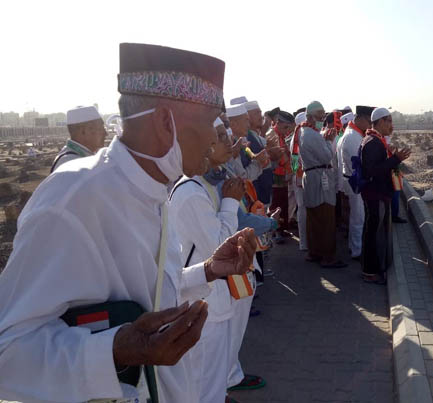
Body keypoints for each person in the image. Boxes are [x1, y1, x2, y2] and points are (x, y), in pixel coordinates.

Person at [0, 43, 257, 402]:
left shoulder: (154, 190)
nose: (218, 137)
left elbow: (147, 299)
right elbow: (8, 353)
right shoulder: (72, 198)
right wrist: (115, 351)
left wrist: (209, 270)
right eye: (210, 122)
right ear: (165, 123)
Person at [169, 117, 263, 403]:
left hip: (218, 294)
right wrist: (231, 202)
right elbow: (216, 246)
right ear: (204, 146)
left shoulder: (211, 183)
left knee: (216, 373)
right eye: (220, 137)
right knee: (204, 379)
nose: (228, 143)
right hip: (205, 299)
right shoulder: (190, 192)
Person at [359, 107, 411, 284]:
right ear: (380, 122)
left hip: (379, 193)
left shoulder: (377, 140)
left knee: (376, 230)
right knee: (372, 232)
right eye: (388, 121)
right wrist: (396, 159)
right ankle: (369, 271)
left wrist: (394, 158)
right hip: (375, 194)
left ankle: (376, 267)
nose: (391, 124)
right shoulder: (372, 142)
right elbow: (372, 170)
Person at [300, 101, 346, 268]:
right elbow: (326, 157)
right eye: (320, 115)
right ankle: (328, 257)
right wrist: (328, 141)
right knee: (325, 218)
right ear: (311, 117)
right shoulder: (312, 134)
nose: (322, 118)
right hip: (319, 179)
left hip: (313, 178)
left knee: (315, 218)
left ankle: (315, 252)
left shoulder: (307, 132)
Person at [338, 106, 372, 260]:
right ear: (362, 119)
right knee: (358, 217)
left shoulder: (354, 133)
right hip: (354, 180)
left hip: (353, 179)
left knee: (356, 216)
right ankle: (357, 250)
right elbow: (357, 163)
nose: (370, 126)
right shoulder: (352, 136)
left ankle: (355, 247)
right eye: (369, 122)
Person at [51, 105, 107, 172]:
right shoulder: (71, 163)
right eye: (100, 129)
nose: (106, 133)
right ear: (83, 131)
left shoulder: (76, 157)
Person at [269, 110, 295, 240]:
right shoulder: (271, 135)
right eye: (285, 127)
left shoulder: (280, 135)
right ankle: (275, 231)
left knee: (284, 203)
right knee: (276, 204)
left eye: (288, 128)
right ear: (278, 123)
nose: (286, 131)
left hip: (282, 174)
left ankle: (282, 228)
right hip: (275, 175)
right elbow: (278, 157)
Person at [290, 111, 308, 251]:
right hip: (301, 177)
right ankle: (305, 242)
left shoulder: (297, 135)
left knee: (303, 209)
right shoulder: (300, 136)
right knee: (303, 209)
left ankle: (304, 242)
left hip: (299, 176)